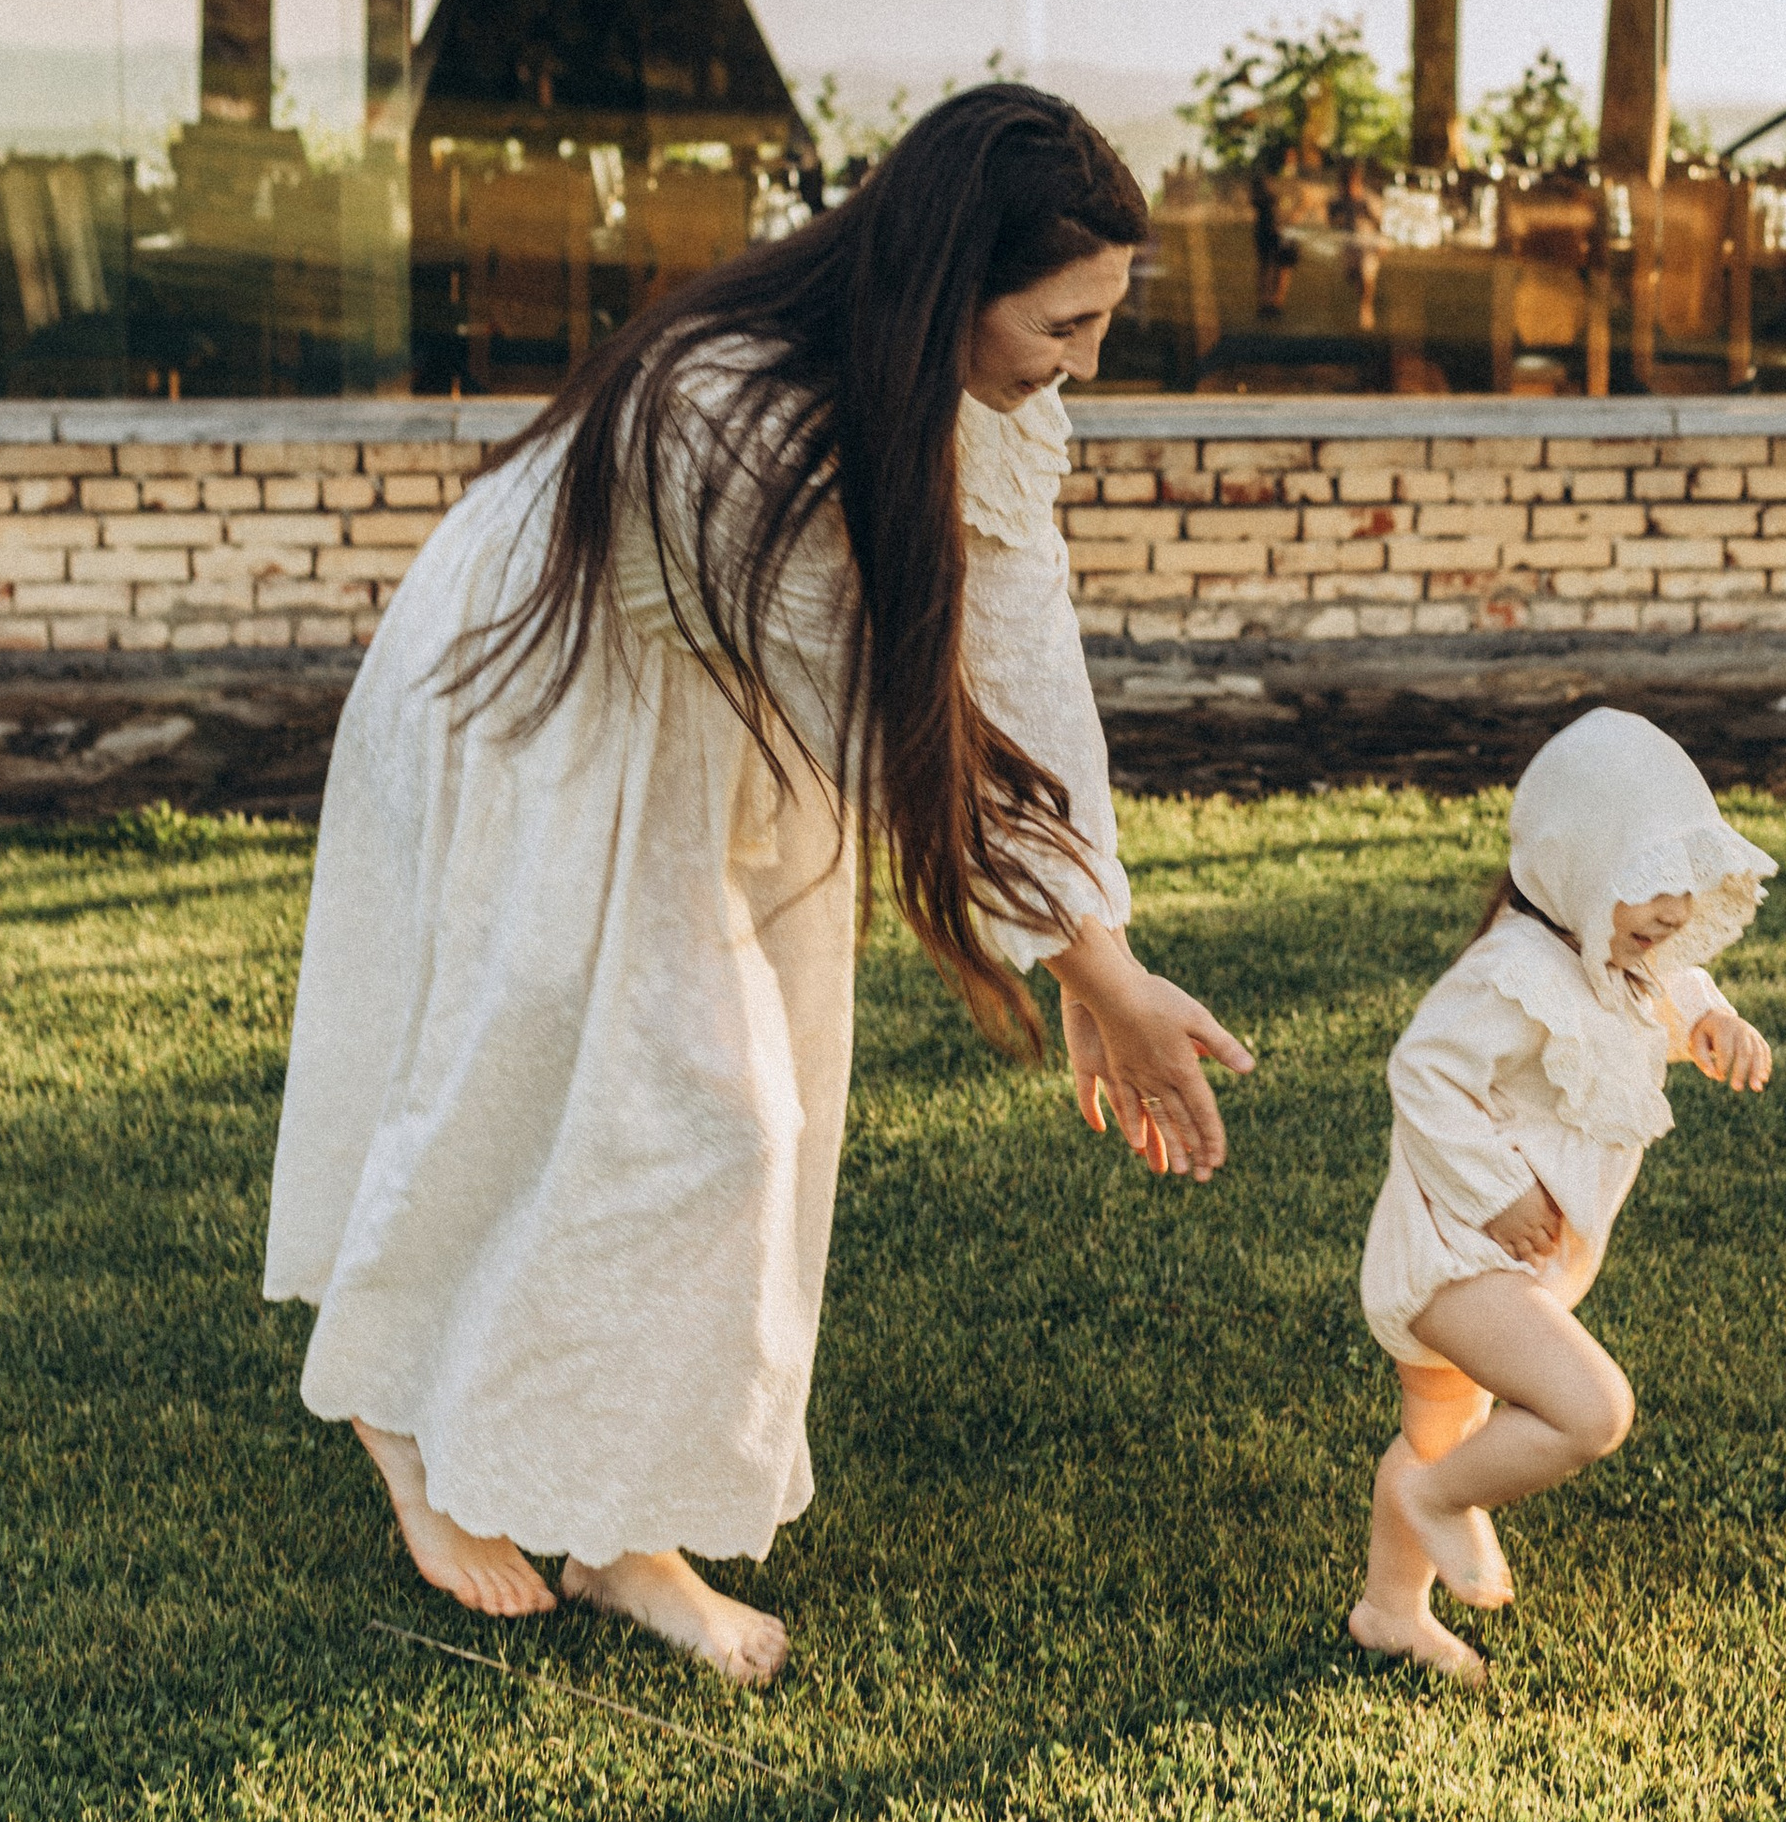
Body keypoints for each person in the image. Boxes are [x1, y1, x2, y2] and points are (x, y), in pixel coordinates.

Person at [265, 87, 1252, 1685]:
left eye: (1102, 323)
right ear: (955, 284)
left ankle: (614, 1524)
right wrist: (1091, 978)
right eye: (1064, 323)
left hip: (717, 707)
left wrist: (1105, 942)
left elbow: (1019, 659)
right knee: (591, 1077)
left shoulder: (979, 395)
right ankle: (399, 1408)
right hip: (536, 701)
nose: (1084, 360)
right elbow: (898, 731)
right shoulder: (727, 411)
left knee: (731, 1106)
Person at [1348, 709, 1775, 1684]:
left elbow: (1660, 990)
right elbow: (1421, 1072)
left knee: (1439, 1432)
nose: (1672, 909)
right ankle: (1440, 1501)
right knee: (1592, 1411)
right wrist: (1497, 1192)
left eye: (1683, 880)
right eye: (1645, 881)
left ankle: (1389, 1610)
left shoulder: (1606, 955)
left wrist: (1712, 1020)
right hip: (1458, 1256)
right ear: (1579, 866)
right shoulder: (1514, 972)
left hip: (1500, 1263)